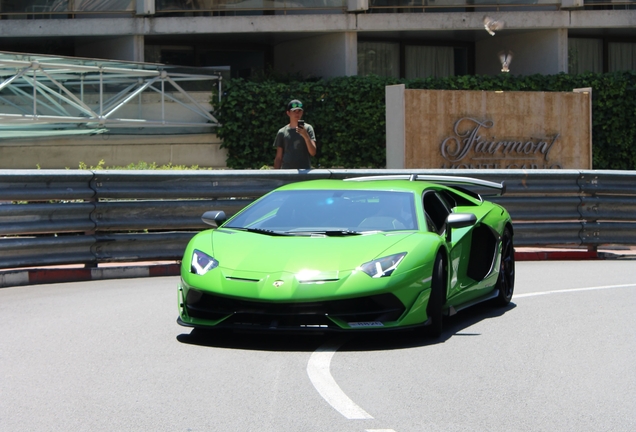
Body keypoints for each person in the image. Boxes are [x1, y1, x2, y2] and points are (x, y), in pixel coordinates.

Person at [273, 99, 317, 169]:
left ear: (302, 112)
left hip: (304, 171)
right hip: (286, 172)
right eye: (294, 111)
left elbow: (313, 152)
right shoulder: (282, 132)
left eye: (299, 111)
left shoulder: (308, 128)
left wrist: (306, 136)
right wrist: (275, 176)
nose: (297, 113)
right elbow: (278, 157)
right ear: (288, 113)